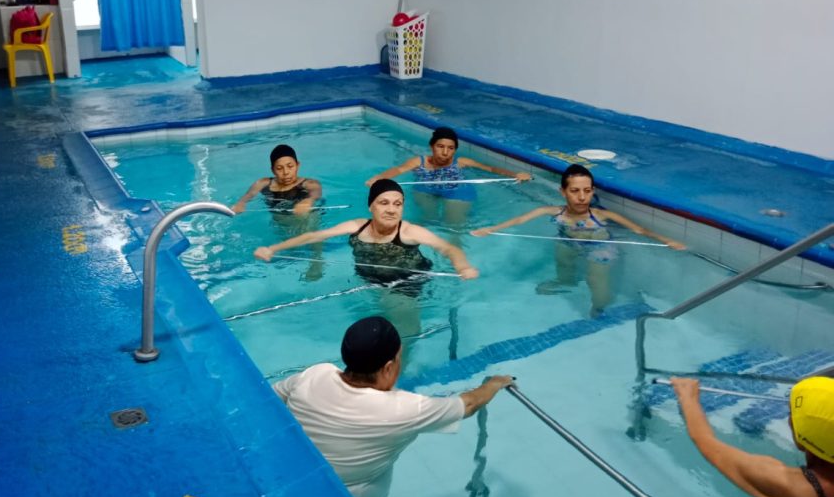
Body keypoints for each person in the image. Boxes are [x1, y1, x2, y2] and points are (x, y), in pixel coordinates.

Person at [273, 316, 514, 497]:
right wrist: (494, 384)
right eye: (399, 358)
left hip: (293, 484)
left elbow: (273, 398)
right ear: (388, 367)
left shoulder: (315, 374)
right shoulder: (403, 409)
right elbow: (469, 405)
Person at [255, 179, 477, 337]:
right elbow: (315, 236)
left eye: (398, 204)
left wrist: (463, 266)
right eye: (384, 203)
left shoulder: (409, 232)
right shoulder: (357, 226)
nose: (391, 210)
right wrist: (273, 248)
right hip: (372, 280)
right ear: (371, 206)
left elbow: (448, 248)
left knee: (407, 329)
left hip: (406, 283)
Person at [471, 164, 684, 316]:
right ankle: (566, 281)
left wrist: (667, 240)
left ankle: (600, 308)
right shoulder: (553, 211)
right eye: (574, 191)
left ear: (592, 192)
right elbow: (519, 219)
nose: (582, 197)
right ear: (563, 192)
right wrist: (491, 229)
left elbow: (639, 230)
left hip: (599, 249)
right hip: (568, 241)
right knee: (562, 256)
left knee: (596, 281)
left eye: (587, 191)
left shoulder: (601, 216)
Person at [672, 376, 834, 497]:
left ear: (799, 436)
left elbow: (704, 440)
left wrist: (688, 397)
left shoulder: (783, 482)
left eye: (791, 414)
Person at [365, 127, 531, 226]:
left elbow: (490, 168)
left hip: (456, 191)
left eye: (450, 148)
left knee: (454, 225)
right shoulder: (419, 161)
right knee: (428, 219)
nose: (445, 152)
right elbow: (399, 169)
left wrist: (515, 174)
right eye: (440, 146)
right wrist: (379, 178)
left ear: (455, 150)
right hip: (426, 190)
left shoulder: (461, 162)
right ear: (432, 146)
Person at [231, 144, 322, 216]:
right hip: (279, 222)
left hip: (305, 217)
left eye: (290, 166)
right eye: (279, 168)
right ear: (273, 170)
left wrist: (308, 201)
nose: (286, 172)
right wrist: (241, 203)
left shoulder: (309, 183)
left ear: (297, 165)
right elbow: (248, 195)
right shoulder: (263, 183)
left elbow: (316, 193)